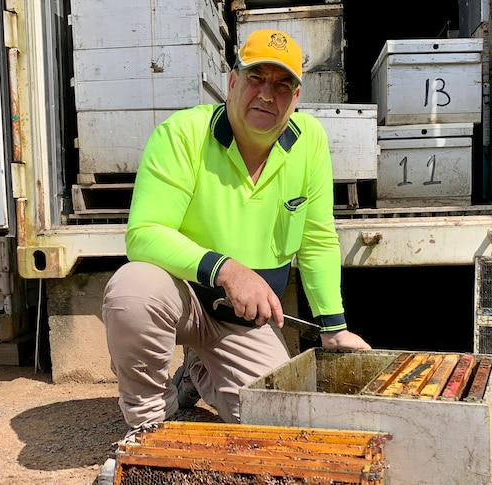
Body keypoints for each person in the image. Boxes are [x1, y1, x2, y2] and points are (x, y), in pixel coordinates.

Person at [101, 28, 372, 438]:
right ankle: (150, 422)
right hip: (185, 297)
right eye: (256, 78)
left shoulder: (310, 142)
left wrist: (334, 327)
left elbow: (317, 238)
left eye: (283, 84)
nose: (267, 94)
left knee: (273, 423)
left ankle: (198, 371)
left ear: (296, 99)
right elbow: (144, 233)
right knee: (132, 290)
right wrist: (227, 269)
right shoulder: (182, 134)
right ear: (232, 82)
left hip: (242, 321)